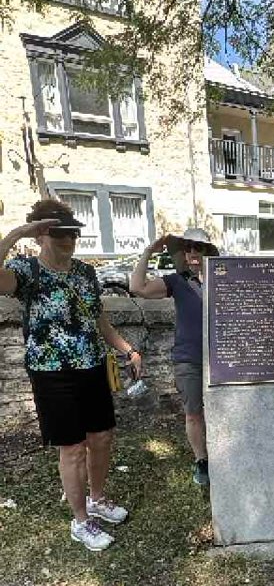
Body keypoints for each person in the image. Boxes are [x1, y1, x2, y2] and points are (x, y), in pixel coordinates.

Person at [0, 198, 142, 552]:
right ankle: (81, 521)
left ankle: (97, 499)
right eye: (61, 234)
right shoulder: (26, 272)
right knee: (73, 448)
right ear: (42, 235)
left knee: (102, 437)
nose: (69, 241)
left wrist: (126, 348)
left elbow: (98, 319)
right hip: (51, 373)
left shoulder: (84, 273)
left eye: (73, 234)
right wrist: (17, 233)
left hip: (91, 365)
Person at [130, 227, 217, 486]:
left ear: (206, 253)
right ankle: (201, 460)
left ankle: (223, 456)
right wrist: (148, 252)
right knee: (193, 413)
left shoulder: (220, 279)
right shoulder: (176, 281)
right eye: (188, 248)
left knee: (222, 412)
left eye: (198, 248)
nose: (193, 253)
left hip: (221, 359)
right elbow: (138, 288)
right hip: (188, 359)